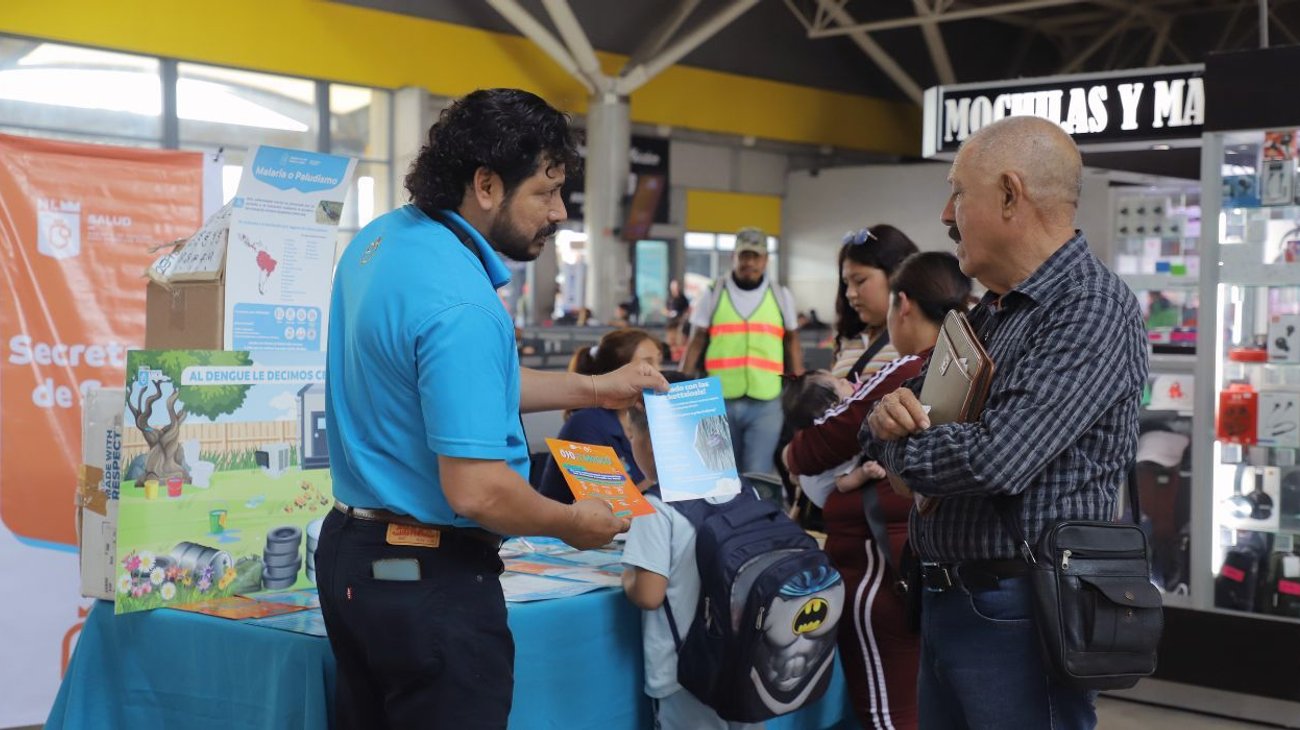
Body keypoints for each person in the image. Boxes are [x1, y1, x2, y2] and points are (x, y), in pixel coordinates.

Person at [317, 88, 669, 729]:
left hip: (351, 554)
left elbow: (458, 390)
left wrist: (594, 388)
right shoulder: (463, 305)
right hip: (428, 579)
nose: (560, 212)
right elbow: (478, 490)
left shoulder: (384, 243)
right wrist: (570, 522)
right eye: (546, 191)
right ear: (485, 183)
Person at [863, 115, 1148, 729]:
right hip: (953, 600)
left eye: (959, 192)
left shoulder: (1090, 310)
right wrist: (889, 427)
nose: (946, 213)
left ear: (1011, 195)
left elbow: (996, 458)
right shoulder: (993, 312)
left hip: (1020, 611)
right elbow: (886, 417)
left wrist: (900, 452)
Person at [784, 252, 972, 730]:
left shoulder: (909, 367)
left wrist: (792, 453)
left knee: (888, 712)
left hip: (880, 561)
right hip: (935, 562)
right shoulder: (976, 365)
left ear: (902, 304)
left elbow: (816, 445)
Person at [618, 372, 765, 730]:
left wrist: (626, 576)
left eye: (631, 436)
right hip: (745, 660)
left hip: (684, 672)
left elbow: (649, 594)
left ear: (650, 444)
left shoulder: (656, 506)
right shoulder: (743, 491)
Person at [681, 227, 803, 478]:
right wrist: (681, 386)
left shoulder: (781, 296)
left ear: (765, 260)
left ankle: (750, 517)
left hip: (767, 401)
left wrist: (800, 384)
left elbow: (791, 340)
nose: (749, 262)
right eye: (744, 256)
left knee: (756, 474)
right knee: (718, 473)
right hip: (717, 400)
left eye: (756, 257)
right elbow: (697, 340)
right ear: (733, 257)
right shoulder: (713, 293)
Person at [538, 328, 664, 503]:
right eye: (648, 364)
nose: (659, 371)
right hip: (568, 529)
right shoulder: (585, 423)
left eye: (659, 361)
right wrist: (665, 478)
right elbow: (613, 505)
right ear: (619, 372)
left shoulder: (644, 417)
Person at [829, 225, 919, 381]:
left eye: (860, 281)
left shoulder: (919, 338)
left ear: (897, 274)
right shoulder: (849, 338)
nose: (850, 293)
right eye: (846, 283)